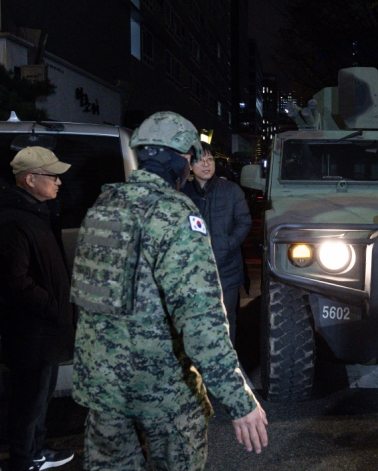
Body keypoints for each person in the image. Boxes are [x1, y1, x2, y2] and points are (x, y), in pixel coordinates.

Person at [70, 112, 268, 469]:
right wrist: (240, 401)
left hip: (102, 386)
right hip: (160, 388)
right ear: (182, 159)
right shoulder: (175, 214)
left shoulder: (103, 206)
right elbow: (201, 321)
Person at [0, 147, 76, 471]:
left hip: (45, 330)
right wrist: (51, 305)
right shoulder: (14, 220)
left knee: (40, 398)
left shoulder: (39, 212)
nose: (59, 182)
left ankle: (37, 451)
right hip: (30, 331)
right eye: (52, 176)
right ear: (30, 179)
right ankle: (22, 461)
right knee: (28, 401)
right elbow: (14, 280)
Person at [182, 142, 252, 344]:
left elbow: (244, 221)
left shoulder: (231, 191)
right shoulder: (183, 194)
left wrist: (229, 243)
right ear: (191, 165)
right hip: (193, 271)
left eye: (210, 159)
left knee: (227, 318)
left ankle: (228, 365)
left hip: (226, 270)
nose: (206, 164)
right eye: (200, 160)